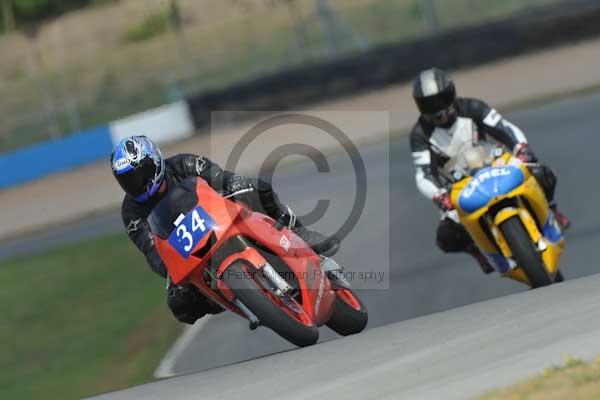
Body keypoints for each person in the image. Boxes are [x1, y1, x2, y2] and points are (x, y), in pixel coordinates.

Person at [110, 136, 340, 324]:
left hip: (219, 218)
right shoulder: (131, 212)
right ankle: (229, 298)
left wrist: (233, 185)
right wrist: (167, 266)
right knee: (179, 304)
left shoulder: (183, 164)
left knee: (255, 188)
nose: (137, 184)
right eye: (128, 181)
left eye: (140, 174)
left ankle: (298, 231)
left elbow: (219, 176)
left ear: (155, 161)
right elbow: (150, 252)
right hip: (187, 251)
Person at [409, 67, 569, 273]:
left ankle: (553, 210)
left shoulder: (472, 107)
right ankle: (478, 251)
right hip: (459, 185)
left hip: (493, 164)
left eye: (440, 100)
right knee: (446, 236)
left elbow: (504, 128)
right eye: (429, 104)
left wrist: (520, 148)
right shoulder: (420, 134)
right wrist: (440, 196)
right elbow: (423, 173)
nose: (437, 108)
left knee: (541, 173)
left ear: (451, 93)